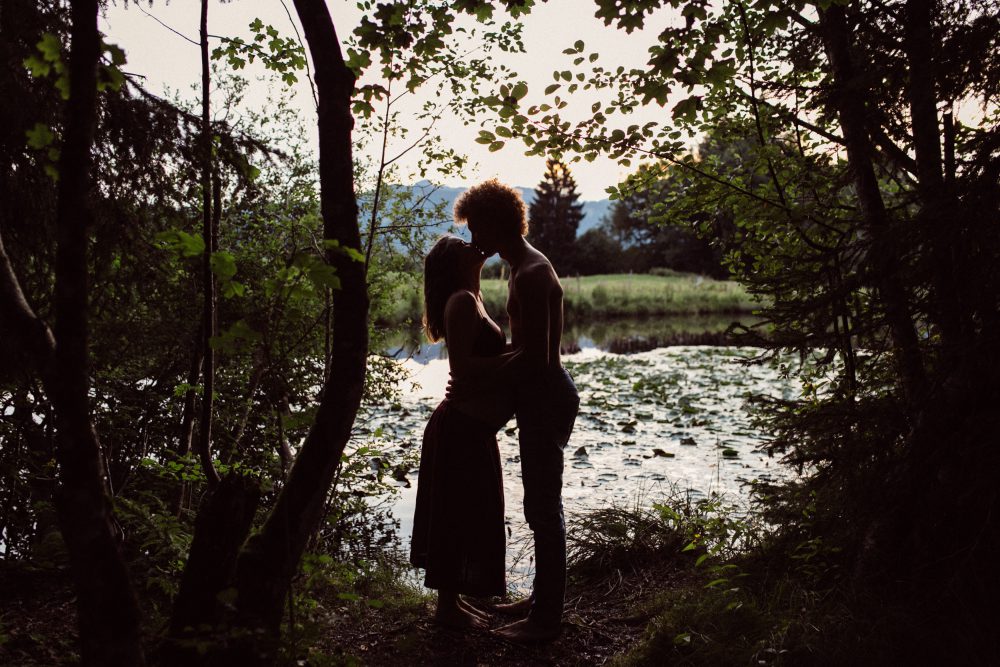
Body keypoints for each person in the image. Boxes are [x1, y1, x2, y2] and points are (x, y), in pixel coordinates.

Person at [453, 179, 580, 642]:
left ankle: (545, 621)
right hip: (536, 397)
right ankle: (541, 599)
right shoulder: (518, 267)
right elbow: (522, 348)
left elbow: (539, 359)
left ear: (492, 222)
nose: (472, 239)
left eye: (474, 228)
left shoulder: (530, 272)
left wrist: (474, 371)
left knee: (543, 508)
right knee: (538, 505)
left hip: (547, 397)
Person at [409, 234, 522, 630]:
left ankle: (452, 605)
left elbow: (482, 360)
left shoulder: (472, 297)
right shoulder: (460, 301)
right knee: (456, 513)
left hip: (472, 427)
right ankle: (446, 609)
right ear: (452, 264)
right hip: (459, 428)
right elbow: (464, 369)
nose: (472, 246)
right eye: (463, 246)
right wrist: (520, 358)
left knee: (469, 510)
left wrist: (514, 355)